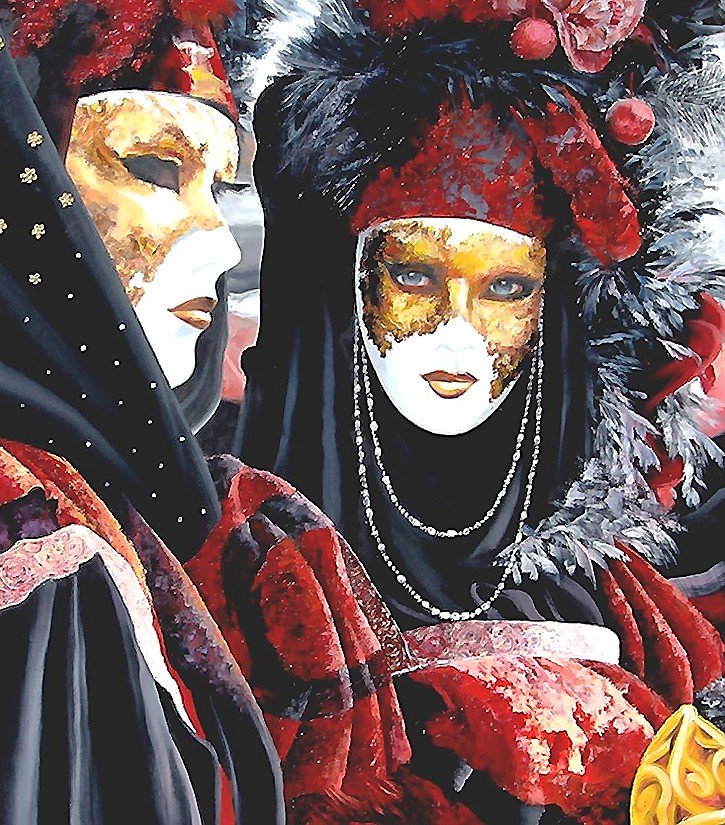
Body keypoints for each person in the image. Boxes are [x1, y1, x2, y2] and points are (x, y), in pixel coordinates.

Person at [219, 0, 725, 820]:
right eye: (414, 275)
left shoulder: (612, 601)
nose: (454, 331)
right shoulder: (246, 572)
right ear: (346, 288)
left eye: (504, 287)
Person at [0, 0, 285, 821]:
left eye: (221, 187)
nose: (220, 244)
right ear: (1, 177)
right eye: (153, 169)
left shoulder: (124, 504)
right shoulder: (9, 540)